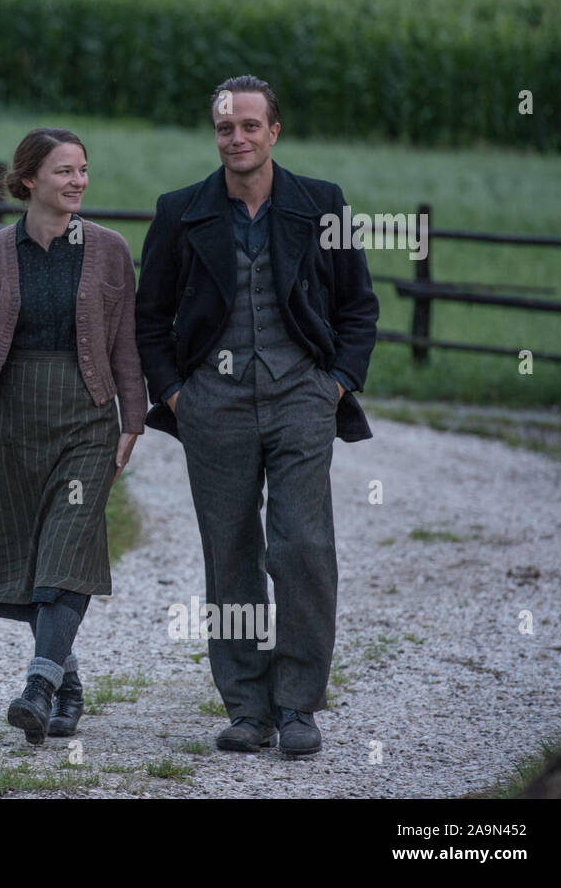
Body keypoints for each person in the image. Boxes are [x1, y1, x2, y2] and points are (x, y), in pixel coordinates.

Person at [134, 75, 379, 757]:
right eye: (223, 128)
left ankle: (297, 704)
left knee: (302, 548)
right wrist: (177, 395)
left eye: (249, 125)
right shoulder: (181, 210)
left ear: (274, 131)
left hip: (302, 393)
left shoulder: (320, 204)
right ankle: (247, 706)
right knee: (231, 554)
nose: (235, 137)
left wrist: (333, 385)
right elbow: (149, 317)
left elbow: (359, 308)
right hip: (212, 405)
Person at [0, 128, 146, 744]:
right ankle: (69, 682)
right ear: (30, 179)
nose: (78, 182)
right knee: (26, 560)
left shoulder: (110, 250)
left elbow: (126, 344)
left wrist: (132, 420)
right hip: (15, 423)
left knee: (68, 551)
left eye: (84, 170)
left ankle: (36, 686)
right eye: (65, 171)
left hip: (88, 419)